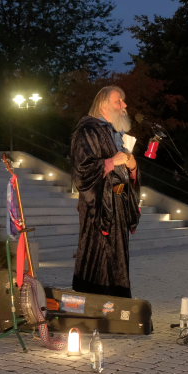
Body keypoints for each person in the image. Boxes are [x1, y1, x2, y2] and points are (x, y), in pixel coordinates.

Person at [70, 86, 141, 298]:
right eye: (118, 101)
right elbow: (81, 171)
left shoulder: (117, 133)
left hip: (119, 202)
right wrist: (110, 162)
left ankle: (117, 300)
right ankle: (95, 300)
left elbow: (127, 172)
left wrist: (133, 167)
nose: (124, 105)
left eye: (123, 101)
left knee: (118, 257)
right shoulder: (87, 130)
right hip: (99, 205)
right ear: (103, 105)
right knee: (99, 254)